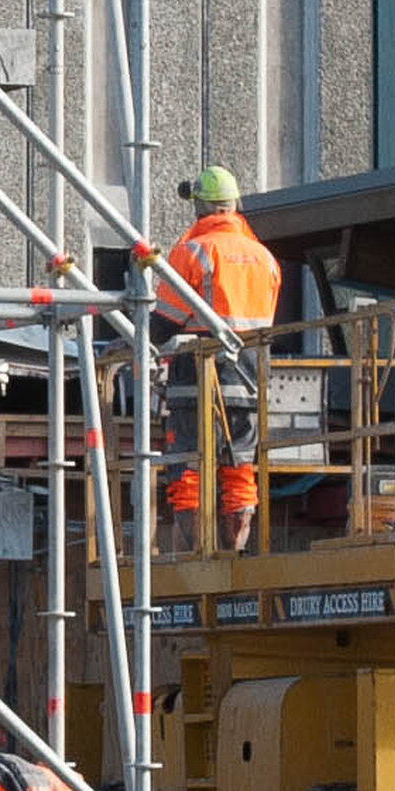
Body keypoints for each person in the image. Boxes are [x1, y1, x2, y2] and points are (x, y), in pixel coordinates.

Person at [157, 163, 282, 540]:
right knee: (240, 468)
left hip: (197, 380)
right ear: (233, 205)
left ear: (199, 208)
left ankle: (196, 554)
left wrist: (130, 338)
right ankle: (238, 548)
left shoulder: (193, 251)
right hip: (249, 379)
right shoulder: (265, 258)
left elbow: (166, 321)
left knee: (188, 468)